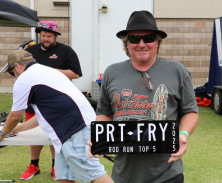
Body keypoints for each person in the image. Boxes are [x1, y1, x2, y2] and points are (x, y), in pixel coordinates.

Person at [88, 10, 199, 183]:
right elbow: (104, 113)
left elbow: (190, 111)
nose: (141, 44)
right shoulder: (112, 72)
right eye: (134, 39)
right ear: (127, 44)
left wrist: (183, 134)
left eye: (148, 38)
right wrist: (99, 137)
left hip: (167, 174)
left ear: (157, 42)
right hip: (124, 173)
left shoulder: (177, 71)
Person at [0, 50, 113, 183]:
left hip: (74, 128)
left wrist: (2, 134)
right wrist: (17, 129)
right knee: (63, 176)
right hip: (78, 126)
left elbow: (15, 116)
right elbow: (42, 117)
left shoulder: (24, 79)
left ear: (17, 66)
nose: (14, 75)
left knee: (94, 174)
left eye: (12, 71)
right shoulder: (47, 71)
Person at [22, 20, 83, 180]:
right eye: (43, 35)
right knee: (33, 135)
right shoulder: (30, 51)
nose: (45, 39)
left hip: (57, 104)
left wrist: (51, 71)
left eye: (49, 36)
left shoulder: (66, 51)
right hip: (33, 100)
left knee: (54, 135)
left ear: (55, 36)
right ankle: (33, 165)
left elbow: (75, 74)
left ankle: (56, 166)